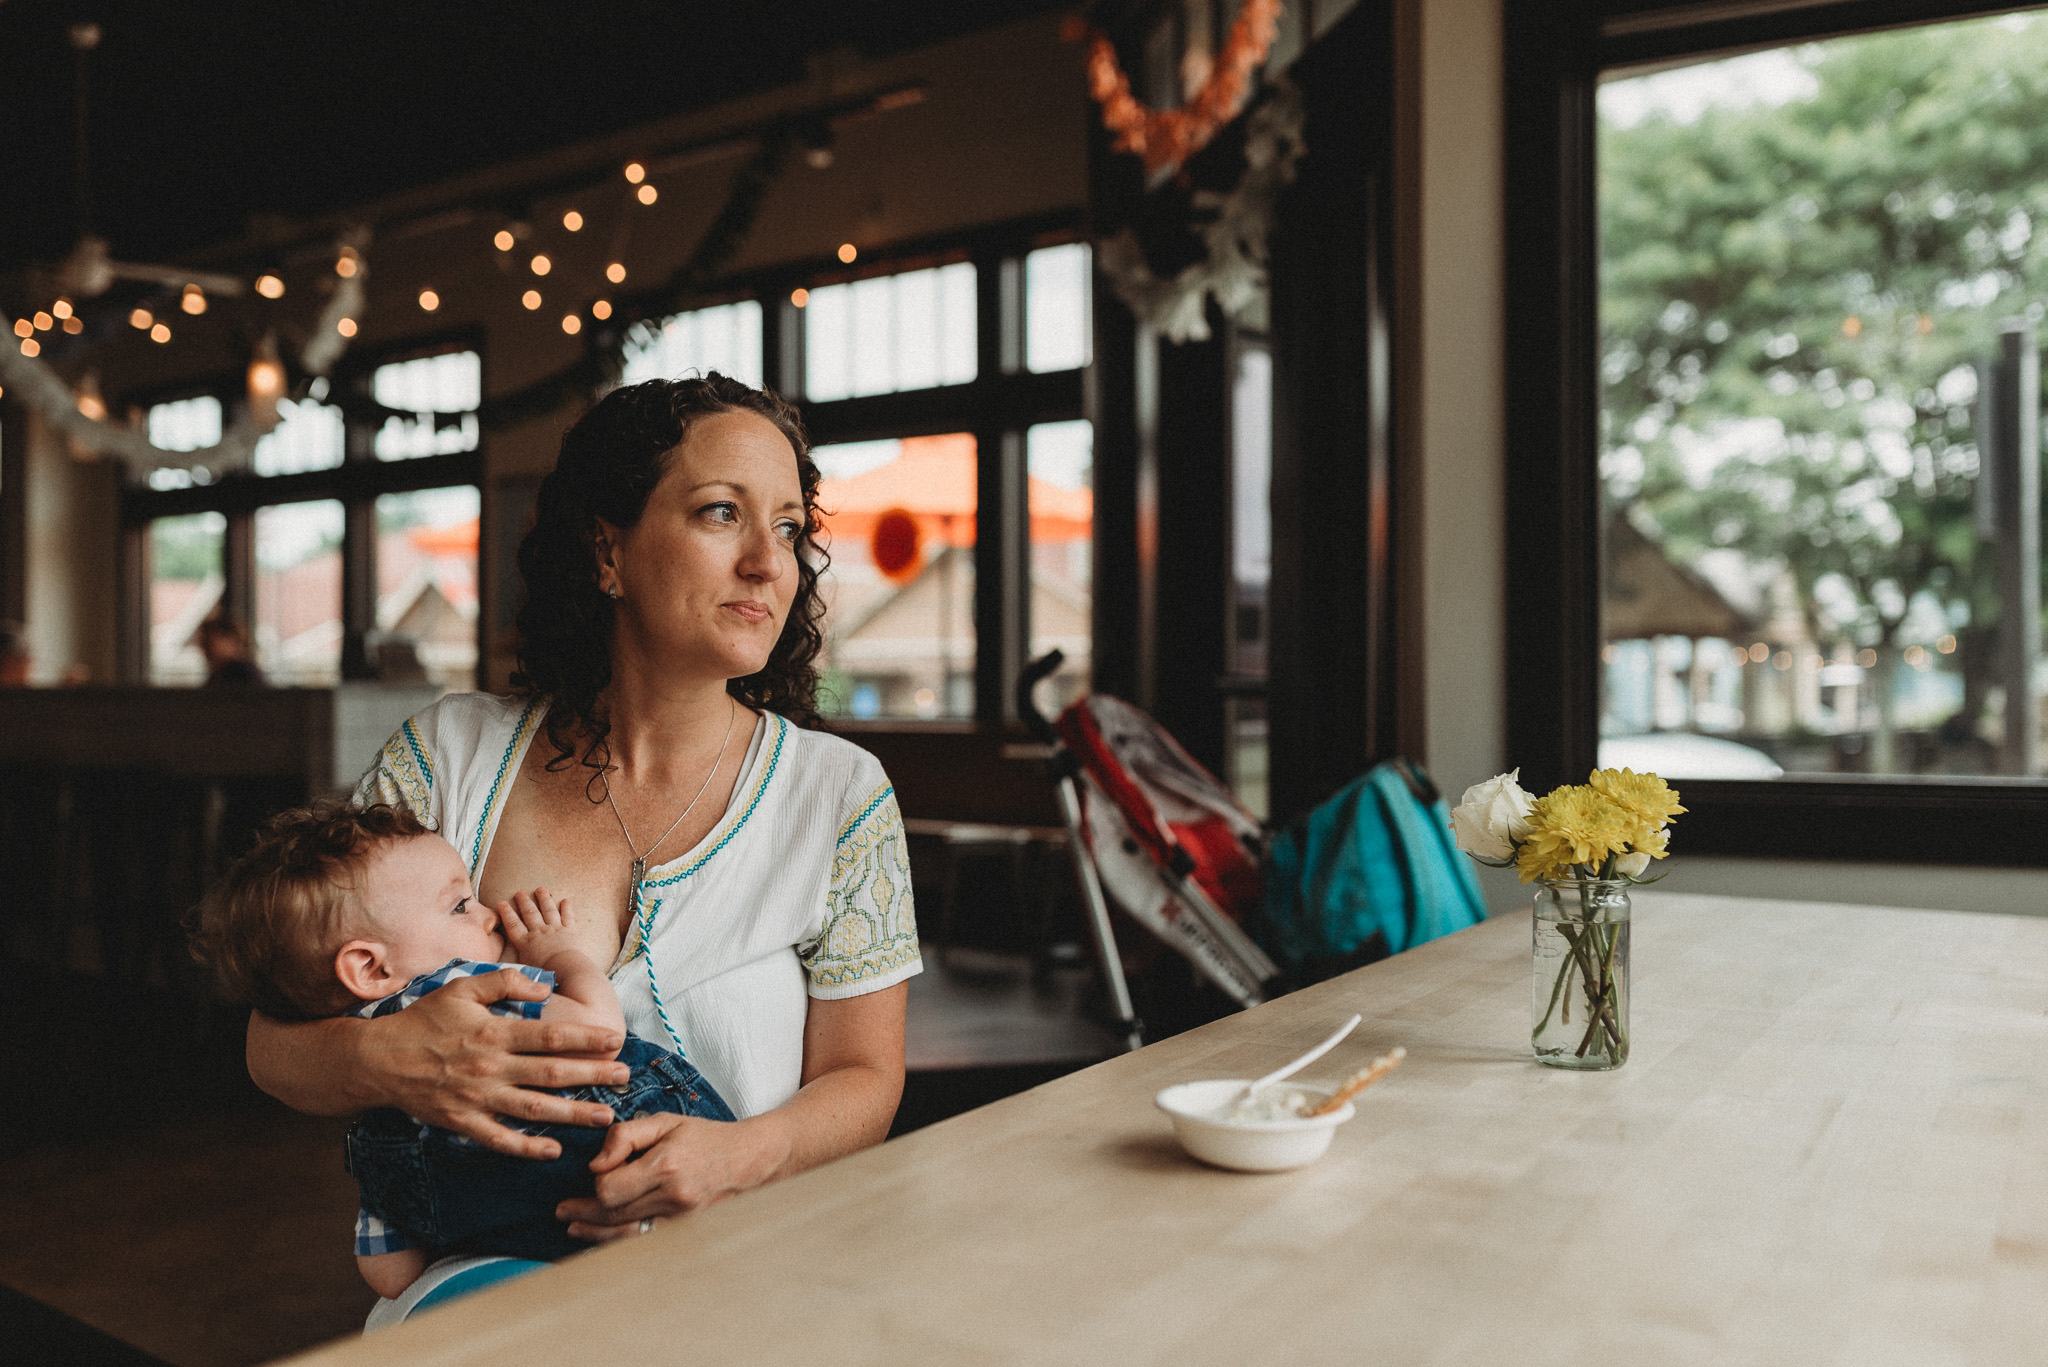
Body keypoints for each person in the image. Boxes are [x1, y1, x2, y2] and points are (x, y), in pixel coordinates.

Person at [243, 374, 919, 1308]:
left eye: (792, 527)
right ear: (609, 548)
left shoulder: (839, 796)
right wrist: (390, 1056)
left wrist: (738, 1154)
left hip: (740, 1287)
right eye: (722, 513)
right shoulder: (450, 755)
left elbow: (867, 1079)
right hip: (480, 1306)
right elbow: (275, 1039)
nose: (771, 562)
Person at [191, 801, 735, 1299]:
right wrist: (562, 953)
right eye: (458, 907)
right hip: (623, 1201)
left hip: (505, 1273)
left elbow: (389, 1274)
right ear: (371, 967)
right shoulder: (466, 993)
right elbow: (598, 1027)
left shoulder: (375, 1101)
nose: (488, 915)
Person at [196, 613, 266, 686]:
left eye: (208, 643)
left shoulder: (239, 672)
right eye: (204, 643)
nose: (204, 650)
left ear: (231, 640)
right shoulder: (221, 673)